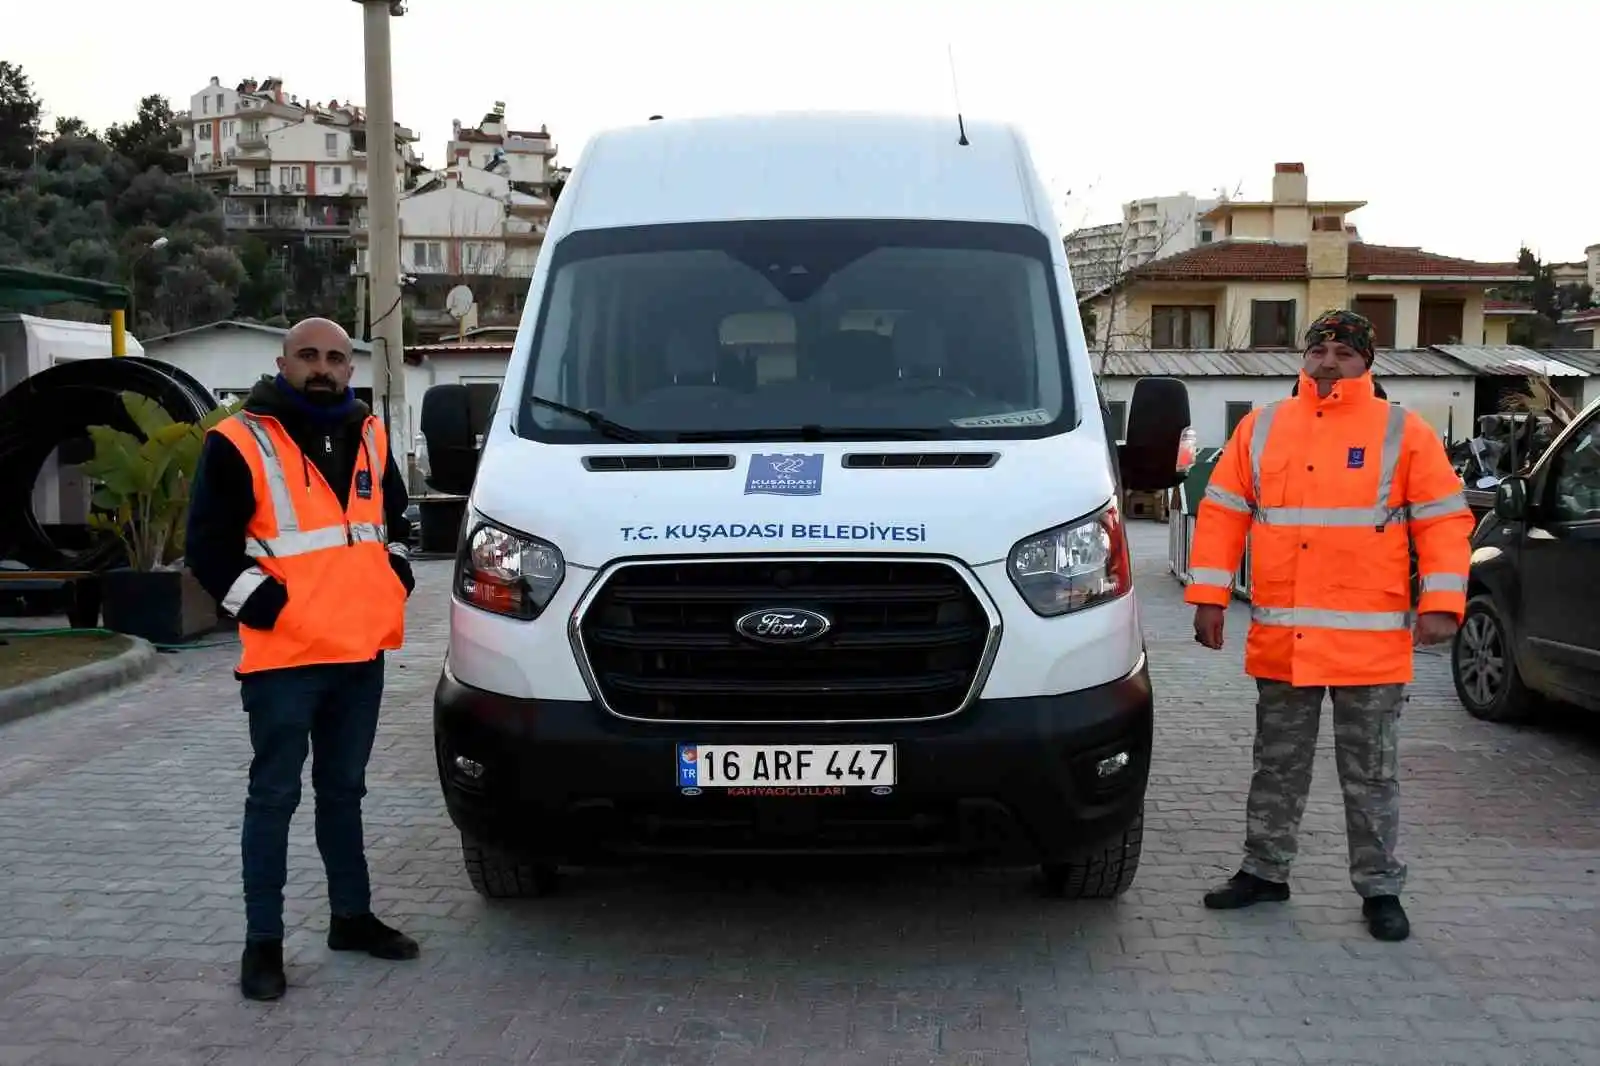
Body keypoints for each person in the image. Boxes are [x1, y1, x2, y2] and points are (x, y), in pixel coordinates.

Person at [1185, 308, 1474, 942]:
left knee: (1371, 772)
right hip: (1285, 641)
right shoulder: (1261, 429)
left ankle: (1380, 889)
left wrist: (1442, 604)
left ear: (1367, 362)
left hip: (1369, 647)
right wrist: (1208, 595)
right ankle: (1264, 871)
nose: (1329, 361)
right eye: (1320, 349)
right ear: (1302, 356)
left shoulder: (1403, 431)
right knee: (1277, 764)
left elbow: (1444, 521)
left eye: (1345, 353)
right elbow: (1222, 512)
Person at [184, 316, 418, 1000]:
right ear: (283, 362)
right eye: (309, 356)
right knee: (274, 799)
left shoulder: (370, 433)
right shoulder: (238, 440)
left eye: (336, 358)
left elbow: (396, 524)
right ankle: (264, 944)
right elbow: (209, 548)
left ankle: (351, 917)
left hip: (359, 654)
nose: (323, 367)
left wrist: (394, 576)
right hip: (285, 660)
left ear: (352, 368)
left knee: (344, 794)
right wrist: (268, 609)